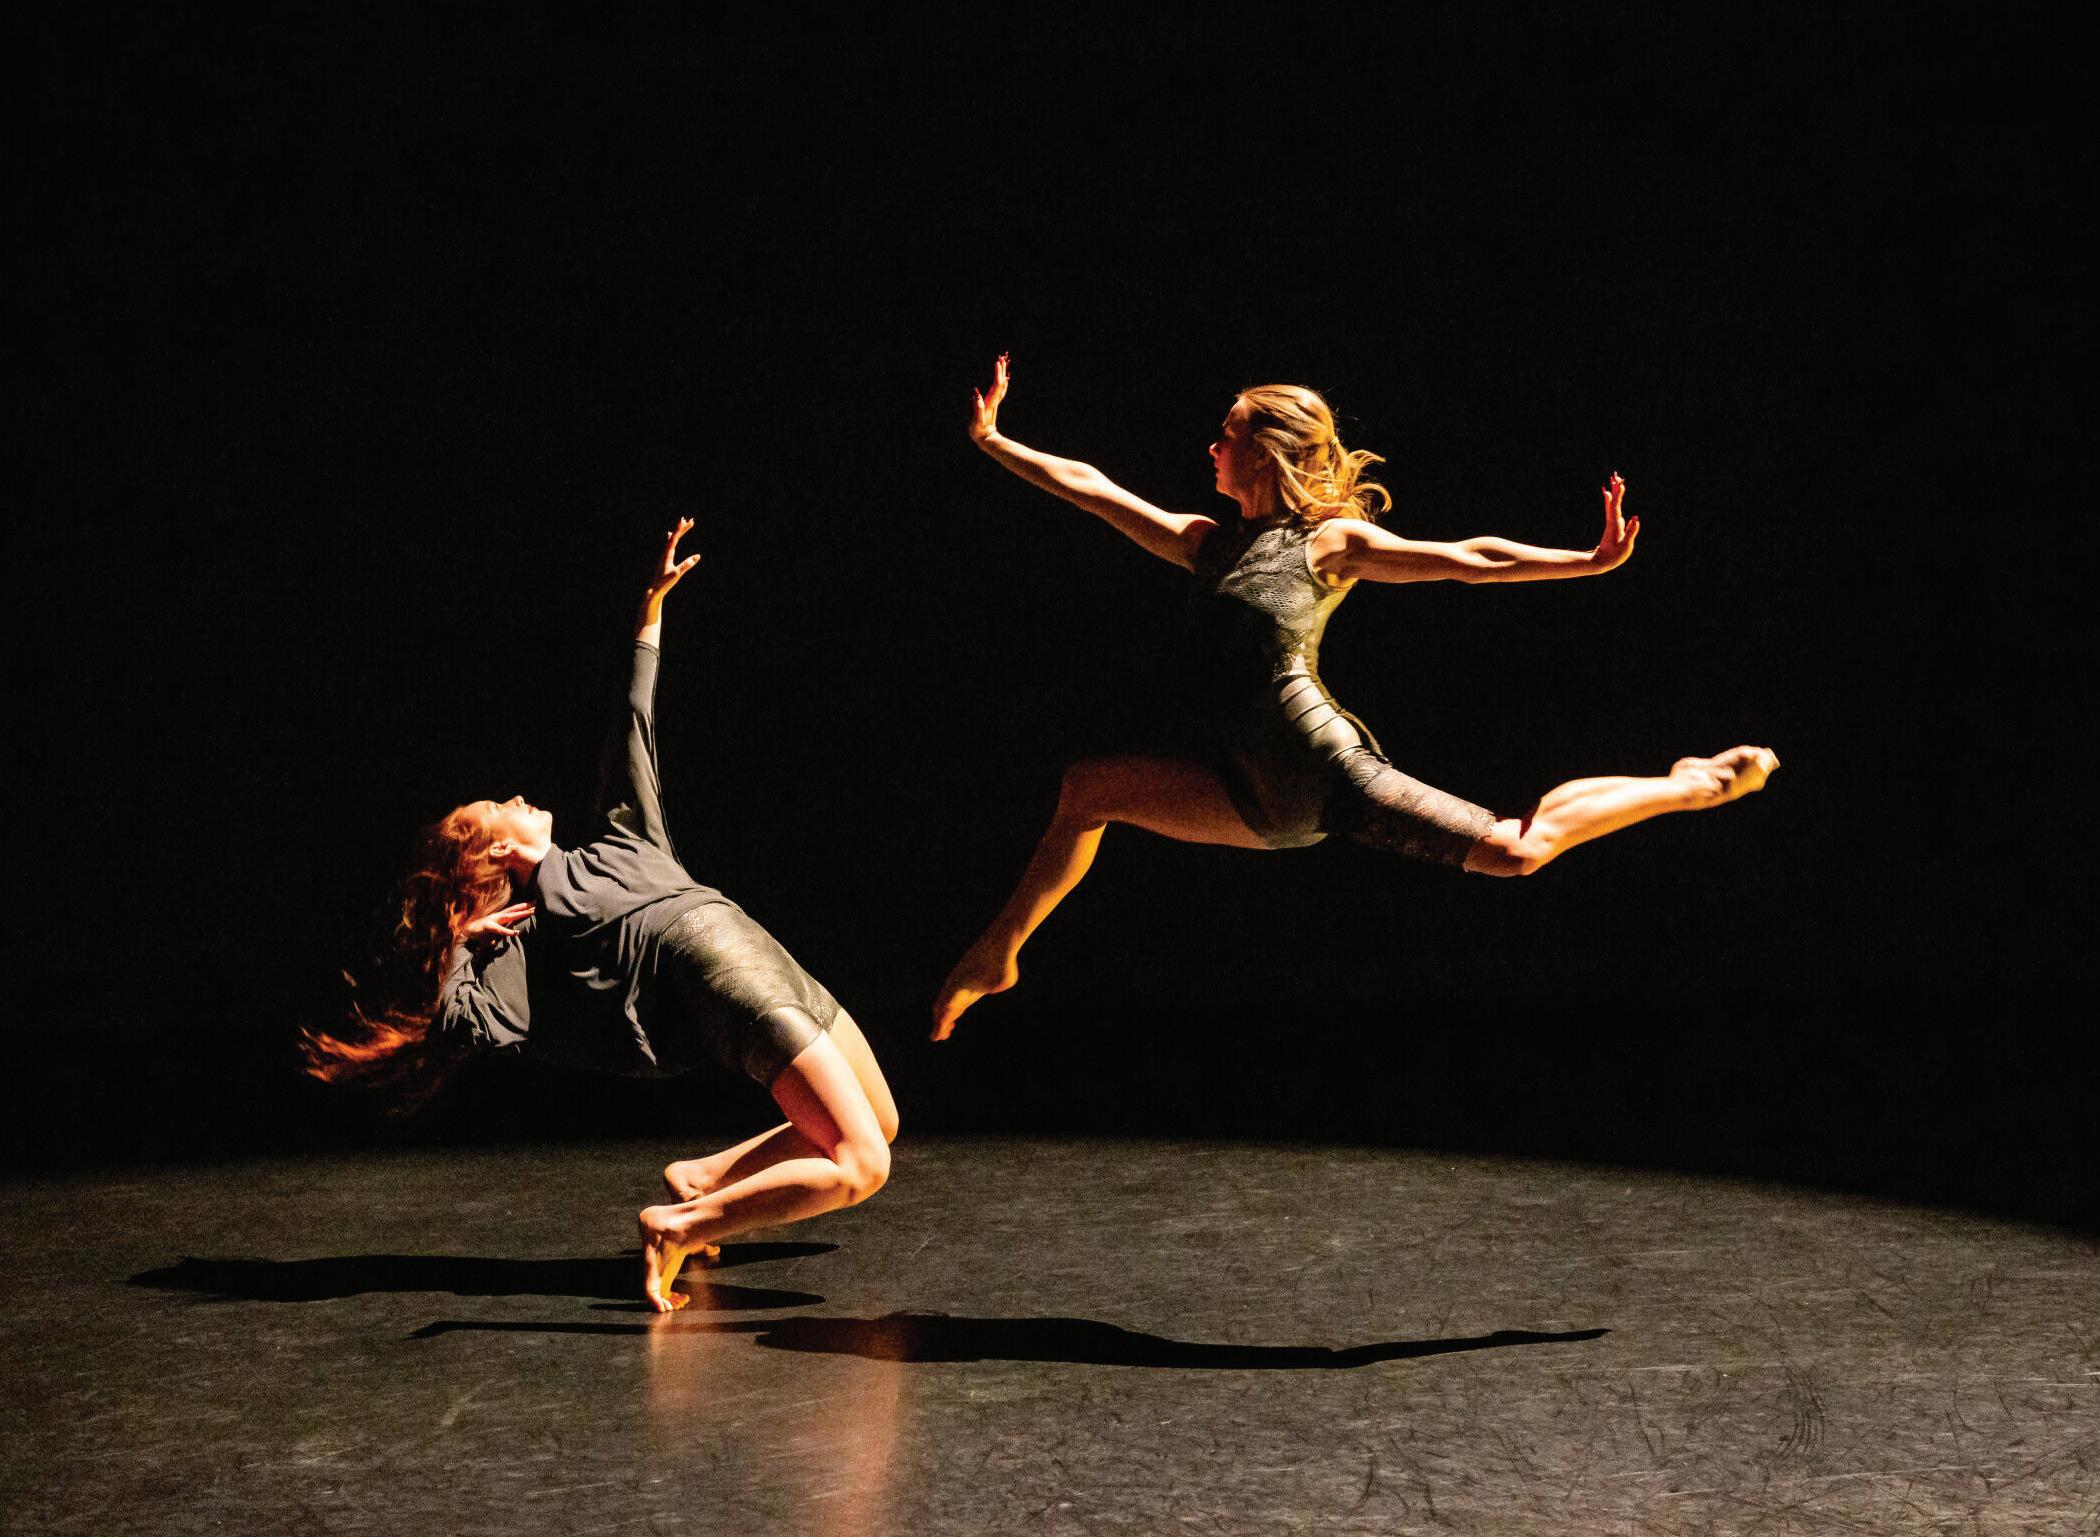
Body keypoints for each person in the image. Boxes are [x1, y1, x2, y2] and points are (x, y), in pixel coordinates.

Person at [933, 356, 1778, 1037]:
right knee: (1087, 791)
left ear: (1265, 450)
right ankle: (1000, 954)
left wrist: (1584, 561)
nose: (1212, 447)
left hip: (1324, 770)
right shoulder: (1207, 543)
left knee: (1518, 849)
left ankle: (1689, 783)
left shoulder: (1329, 543)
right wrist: (994, 440)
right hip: (1249, 796)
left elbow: (1467, 558)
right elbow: (1093, 488)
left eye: (1228, 434)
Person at [306, 521, 898, 1311]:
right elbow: (454, 1015)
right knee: (861, 1161)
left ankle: (701, 1180)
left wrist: (649, 611)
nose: (519, 796)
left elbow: (632, 719)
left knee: (882, 1120)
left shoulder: (622, 833)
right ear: (497, 851)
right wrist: (458, 938)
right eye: (500, 806)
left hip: (769, 956)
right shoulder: (534, 928)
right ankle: (676, 1225)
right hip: (728, 981)